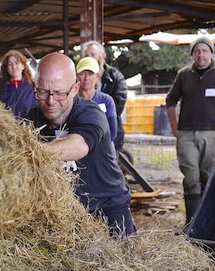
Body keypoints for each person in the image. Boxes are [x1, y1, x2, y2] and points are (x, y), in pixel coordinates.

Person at [25, 52, 136, 238]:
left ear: (75, 89)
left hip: (107, 205)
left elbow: (79, 145)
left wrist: (30, 152)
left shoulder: (91, 113)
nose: (50, 101)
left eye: (60, 93)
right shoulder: (31, 121)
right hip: (65, 211)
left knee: (122, 260)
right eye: (42, 92)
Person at [166, 36, 215, 227]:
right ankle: (191, 226)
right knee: (191, 179)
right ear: (192, 54)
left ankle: (206, 226)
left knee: (208, 178)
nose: (200, 54)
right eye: (197, 51)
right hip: (186, 134)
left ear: (211, 53)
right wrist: (174, 126)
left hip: (213, 134)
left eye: (204, 50)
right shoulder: (184, 74)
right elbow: (170, 100)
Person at [82, 41, 127, 153]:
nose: (90, 58)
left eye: (93, 55)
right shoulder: (81, 81)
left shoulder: (115, 76)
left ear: (102, 55)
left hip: (110, 133)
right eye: (87, 56)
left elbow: (119, 103)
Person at [76, 56, 117, 144]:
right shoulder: (71, 101)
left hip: (104, 150)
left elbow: (113, 131)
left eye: (90, 74)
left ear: (97, 76)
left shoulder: (106, 100)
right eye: (82, 73)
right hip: (78, 148)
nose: (86, 78)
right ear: (77, 76)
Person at [0, 50, 36, 118]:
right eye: (10, 64)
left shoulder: (33, 87)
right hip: (7, 127)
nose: (14, 67)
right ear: (6, 68)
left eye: (17, 63)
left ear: (23, 66)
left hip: (30, 127)